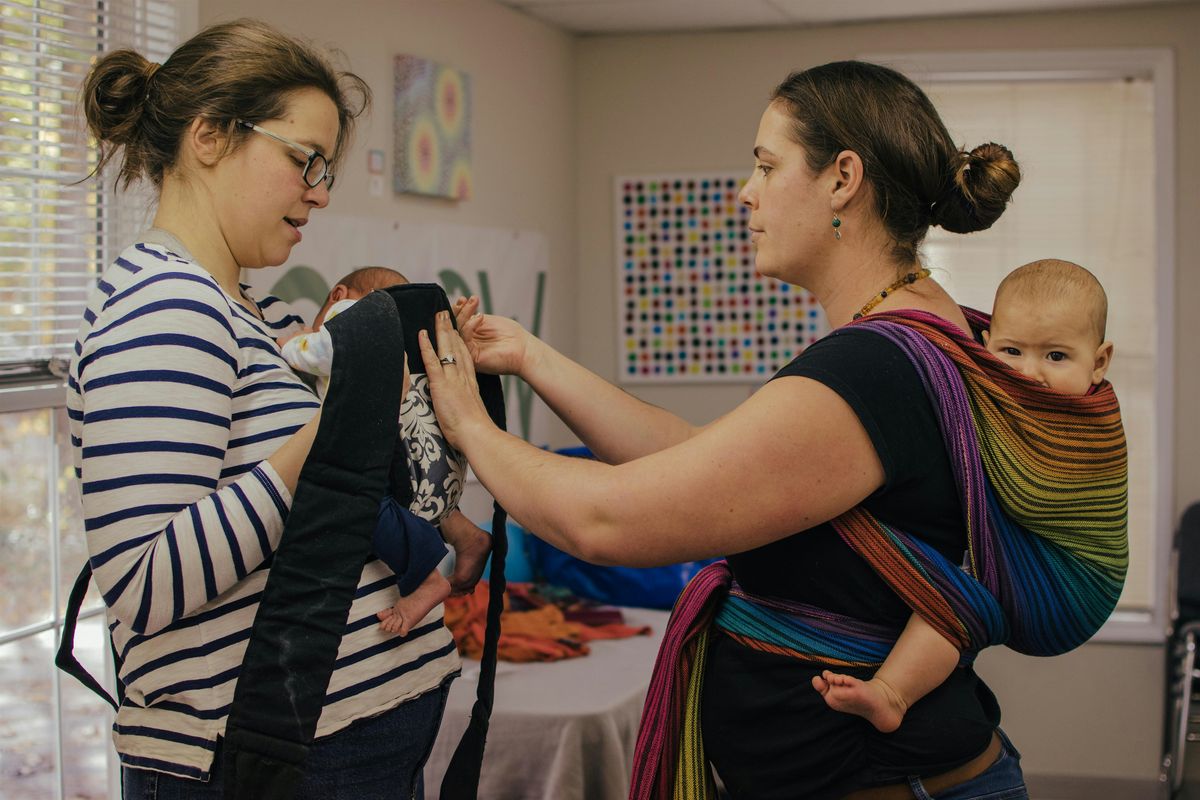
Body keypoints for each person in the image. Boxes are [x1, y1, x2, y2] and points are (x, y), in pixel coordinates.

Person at [425, 60, 1032, 799]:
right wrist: (529, 357)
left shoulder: (876, 365)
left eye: (767, 166)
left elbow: (604, 520)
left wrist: (469, 424)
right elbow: (705, 464)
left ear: (843, 179)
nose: (747, 191)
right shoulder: (918, 332)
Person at [70, 19, 459, 798]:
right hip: (268, 762)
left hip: (350, 748)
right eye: (303, 159)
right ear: (210, 136)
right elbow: (145, 584)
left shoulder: (263, 314)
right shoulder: (164, 308)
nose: (320, 192)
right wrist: (335, 423)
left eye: (326, 169)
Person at [813, 257, 1115, 734]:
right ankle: (887, 695)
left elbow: (1036, 494)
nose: (1029, 372)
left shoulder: (1085, 426)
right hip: (1025, 570)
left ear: (1099, 362)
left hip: (1073, 586)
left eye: (1056, 356)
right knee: (954, 594)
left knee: (959, 599)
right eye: (1011, 351)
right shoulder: (990, 384)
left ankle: (894, 691)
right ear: (985, 345)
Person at [277, 266, 493, 634]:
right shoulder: (407, 336)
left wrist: (292, 345)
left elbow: (325, 349)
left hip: (382, 450)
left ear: (338, 294)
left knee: (361, 502)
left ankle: (426, 578)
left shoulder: (350, 312)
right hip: (438, 464)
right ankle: (464, 532)